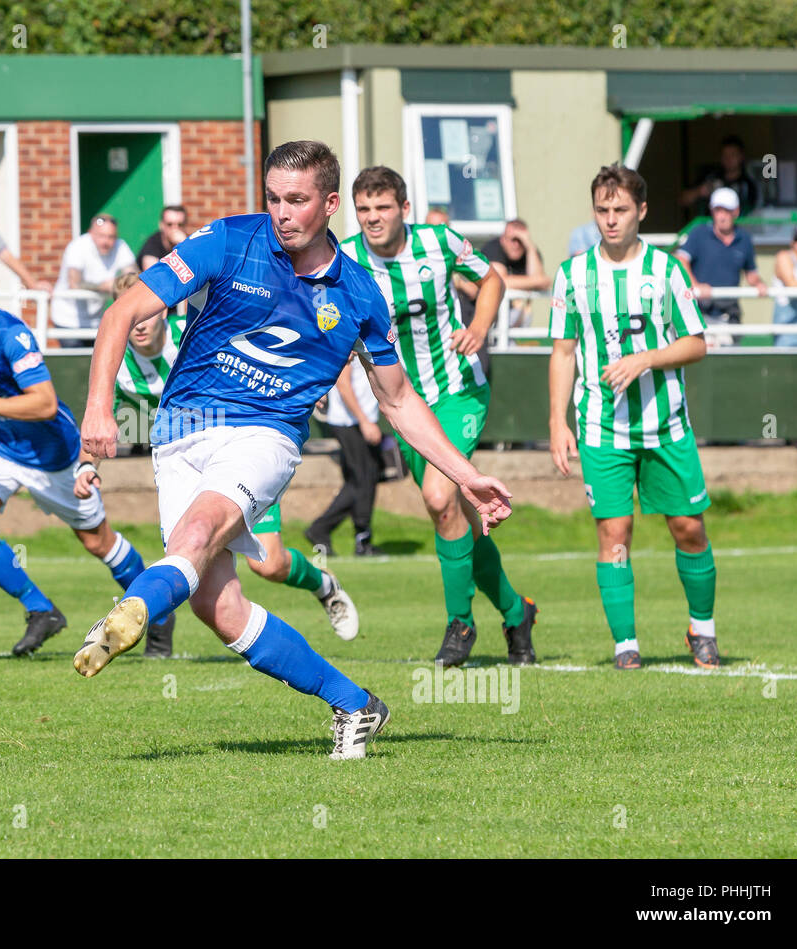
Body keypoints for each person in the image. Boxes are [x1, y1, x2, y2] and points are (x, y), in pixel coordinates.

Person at [75, 140, 514, 760]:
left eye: (298, 201)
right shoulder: (227, 240)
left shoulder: (359, 293)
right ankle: (356, 704)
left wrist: (467, 476)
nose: (281, 213)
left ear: (330, 203)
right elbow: (123, 312)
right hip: (181, 431)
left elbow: (398, 401)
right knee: (217, 606)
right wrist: (98, 408)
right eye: (274, 198)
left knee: (196, 537)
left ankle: (126, 614)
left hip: (266, 434)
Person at [74, 272, 361, 657]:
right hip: (186, 462)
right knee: (199, 568)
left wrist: (300, 390)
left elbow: (264, 339)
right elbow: (98, 419)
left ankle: (323, 585)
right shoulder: (121, 367)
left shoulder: (194, 328)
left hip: (243, 445)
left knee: (269, 565)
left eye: (146, 315)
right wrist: (86, 466)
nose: (139, 326)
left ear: (163, 311)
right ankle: (150, 619)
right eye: (131, 318)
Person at [342, 165, 537, 667]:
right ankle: (516, 613)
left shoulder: (439, 242)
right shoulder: (345, 258)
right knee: (460, 517)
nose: (372, 218)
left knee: (437, 495)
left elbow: (490, 278)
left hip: (457, 392)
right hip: (403, 406)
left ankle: (460, 624)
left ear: (404, 209)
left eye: (382, 208)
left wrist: (480, 324)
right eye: (363, 209)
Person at [0, 252, 168, 657]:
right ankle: (41, 610)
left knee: (98, 543)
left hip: (54, 454)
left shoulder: (12, 336)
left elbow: (43, 403)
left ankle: (160, 612)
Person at [549, 164, 720, 671]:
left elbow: (696, 343)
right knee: (614, 532)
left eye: (621, 209)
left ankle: (703, 629)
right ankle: (626, 645)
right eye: (602, 210)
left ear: (641, 211)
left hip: (666, 425)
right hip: (602, 428)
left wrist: (644, 359)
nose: (611, 219)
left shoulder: (667, 270)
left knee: (688, 526)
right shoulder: (572, 274)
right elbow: (563, 352)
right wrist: (558, 422)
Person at [306, 353, 388, 557]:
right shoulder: (351, 334)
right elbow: (343, 385)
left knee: (361, 480)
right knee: (362, 481)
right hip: (349, 422)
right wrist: (364, 421)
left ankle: (356, 537)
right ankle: (330, 531)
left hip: (360, 421)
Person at [675, 187, 767, 346]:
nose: (722, 216)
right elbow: (680, 259)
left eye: (727, 211)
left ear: (736, 212)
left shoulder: (744, 239)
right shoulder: (699, 233)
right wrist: (695, 285)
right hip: (699, 312)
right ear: (712, 212)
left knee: (729, 359)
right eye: (718, 210)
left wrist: (759, 283)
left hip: (729, 314)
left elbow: (751, 274)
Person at [51, 214, 136, 346]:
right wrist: (104, 286)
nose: (106, 241)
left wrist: (123, 284)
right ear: (91, 233)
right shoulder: (77, 247)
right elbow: (74, 283)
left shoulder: (120, 246)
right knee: (77, 364)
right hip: (68, 318)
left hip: (97, 320)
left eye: (111, 236)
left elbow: (134, 277)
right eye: (101, 236)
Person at [481, 219, 552, 329]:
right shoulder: (493, 248)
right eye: (513, 239)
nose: (516, 245)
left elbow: (542, 281)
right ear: (503, 239)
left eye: (520, 240)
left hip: (516, 320)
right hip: (486, 316)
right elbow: (499, 282)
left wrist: (529, 245)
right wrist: (536, 281)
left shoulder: (530, 251)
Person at [681, 135, 760, 218]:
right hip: (709, 227)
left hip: (739, 228)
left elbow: (754, 212)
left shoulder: (748, 185)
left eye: (732, 155)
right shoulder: (710, 178)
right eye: (725, 155)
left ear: (741, 157)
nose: (728, 159)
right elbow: (683, 200)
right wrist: (699, 191)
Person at [137, 205, 189, 271]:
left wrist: (184, 246)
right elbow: (153, 277)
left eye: (180, 225)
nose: (175, 228)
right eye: (170, 224)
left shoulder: (187, 242)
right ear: (161, 225)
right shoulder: (152, 246)